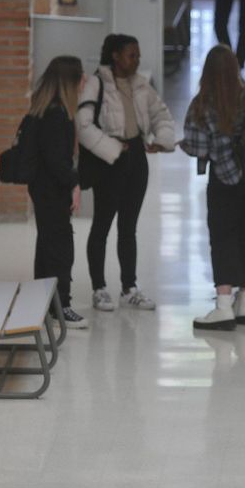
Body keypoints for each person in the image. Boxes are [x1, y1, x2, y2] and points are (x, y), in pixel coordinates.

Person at [76, 34, 177, 314]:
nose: (137, 61)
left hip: (136, 159)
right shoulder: (96, 83)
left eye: (138, 55)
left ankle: (129, 288)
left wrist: (162, 139)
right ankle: (99, 288)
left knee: (128, 226)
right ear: (116, 56)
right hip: (110, 162)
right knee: (102, 225)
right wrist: (110, 148)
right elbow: (83, 125)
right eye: (132, 55)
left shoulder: (140, 84)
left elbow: (161, 114)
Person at [179, 46, 245, 331]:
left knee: (223, 237)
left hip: (225, 178)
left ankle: (223, 306)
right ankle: (244, 304)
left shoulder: (201, 104)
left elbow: (197, 147)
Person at [26, 55, 86, 328]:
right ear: (69, 82)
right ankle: (61, 306)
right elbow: (57, 160)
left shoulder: (48, 110)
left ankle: (47, 303)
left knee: (48, 245)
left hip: (43, 189)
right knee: (60, 249)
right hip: (52, 190)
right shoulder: (56, 115)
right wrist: (74, 184)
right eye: (80, 77)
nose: (84, 81)